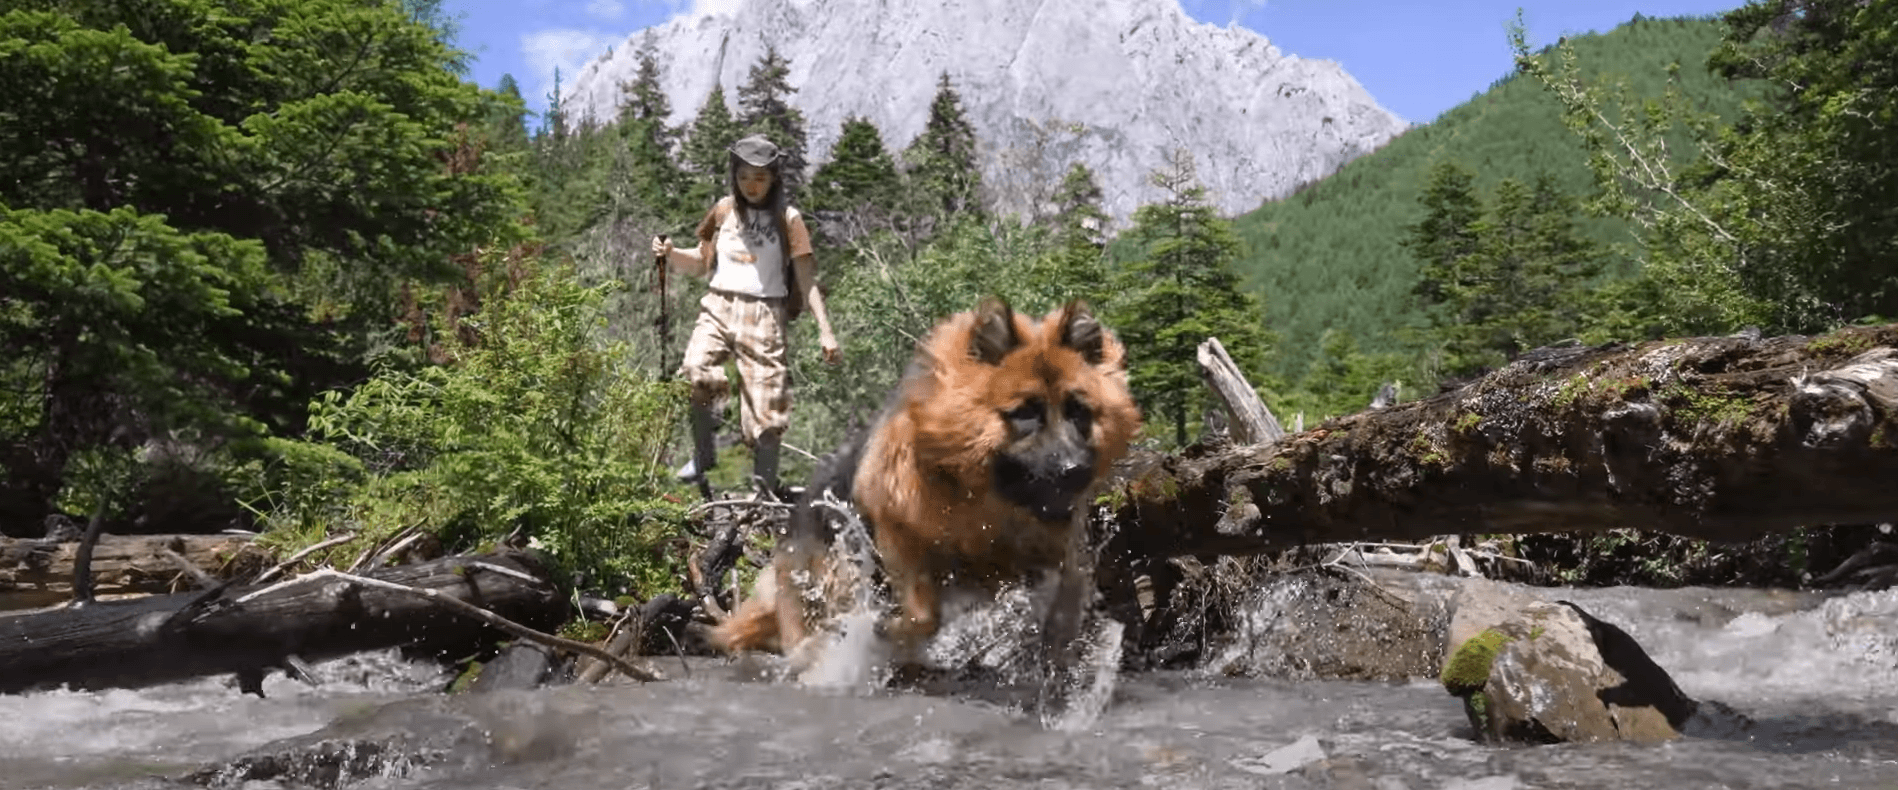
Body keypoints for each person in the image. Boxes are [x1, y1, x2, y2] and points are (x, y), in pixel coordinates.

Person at [651, 134, 841, 500]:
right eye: (743, 177)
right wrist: (671, 253)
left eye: (759, 177)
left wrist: (826, 331)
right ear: (734, 176)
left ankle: (763, 495)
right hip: (719, 305)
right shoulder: (723, 211)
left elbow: (806, 278)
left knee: (769, 413)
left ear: (773, 178)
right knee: (693, 371)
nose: (751, 185)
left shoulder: (789, 219)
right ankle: (705, 455)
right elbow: (699, 264)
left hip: (765, 313)